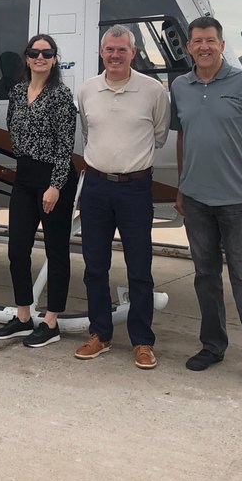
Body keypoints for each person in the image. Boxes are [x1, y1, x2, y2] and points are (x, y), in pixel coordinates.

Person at [171, 15, 242, 389]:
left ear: (221, 44)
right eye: (197, 41)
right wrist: (181, 186)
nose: (204, 47)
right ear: (189, 47)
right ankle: (213, 346)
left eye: (210, 40)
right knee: (205, 276)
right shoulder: (180, 86)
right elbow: (183, 137)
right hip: (196, 199)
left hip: (237, 201)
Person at [74, 25, 169, 370]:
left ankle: (142, 341)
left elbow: (159, 135)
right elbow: (88, 132)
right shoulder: (87, 90)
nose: (115, 56)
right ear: (102, 52)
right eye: (110, 50)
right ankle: (100, 334)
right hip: (96, 187)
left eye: (122, 50)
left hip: (135, 188)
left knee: (139, 268)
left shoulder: (153, 91)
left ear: (133, 53)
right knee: (94, 266)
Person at [0, 34, 78, 348]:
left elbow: (66, 145)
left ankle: (51, 321)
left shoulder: (61, 95)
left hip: (54, 178)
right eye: (34, 52)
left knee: (56, 250)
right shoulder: (17, 92)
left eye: (47, 53)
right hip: (25, 176)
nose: (40, 57)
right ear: (27, 58)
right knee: (17, 249)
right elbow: (13, 130)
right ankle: (24, 316)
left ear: (54, 59)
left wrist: (55, 185)